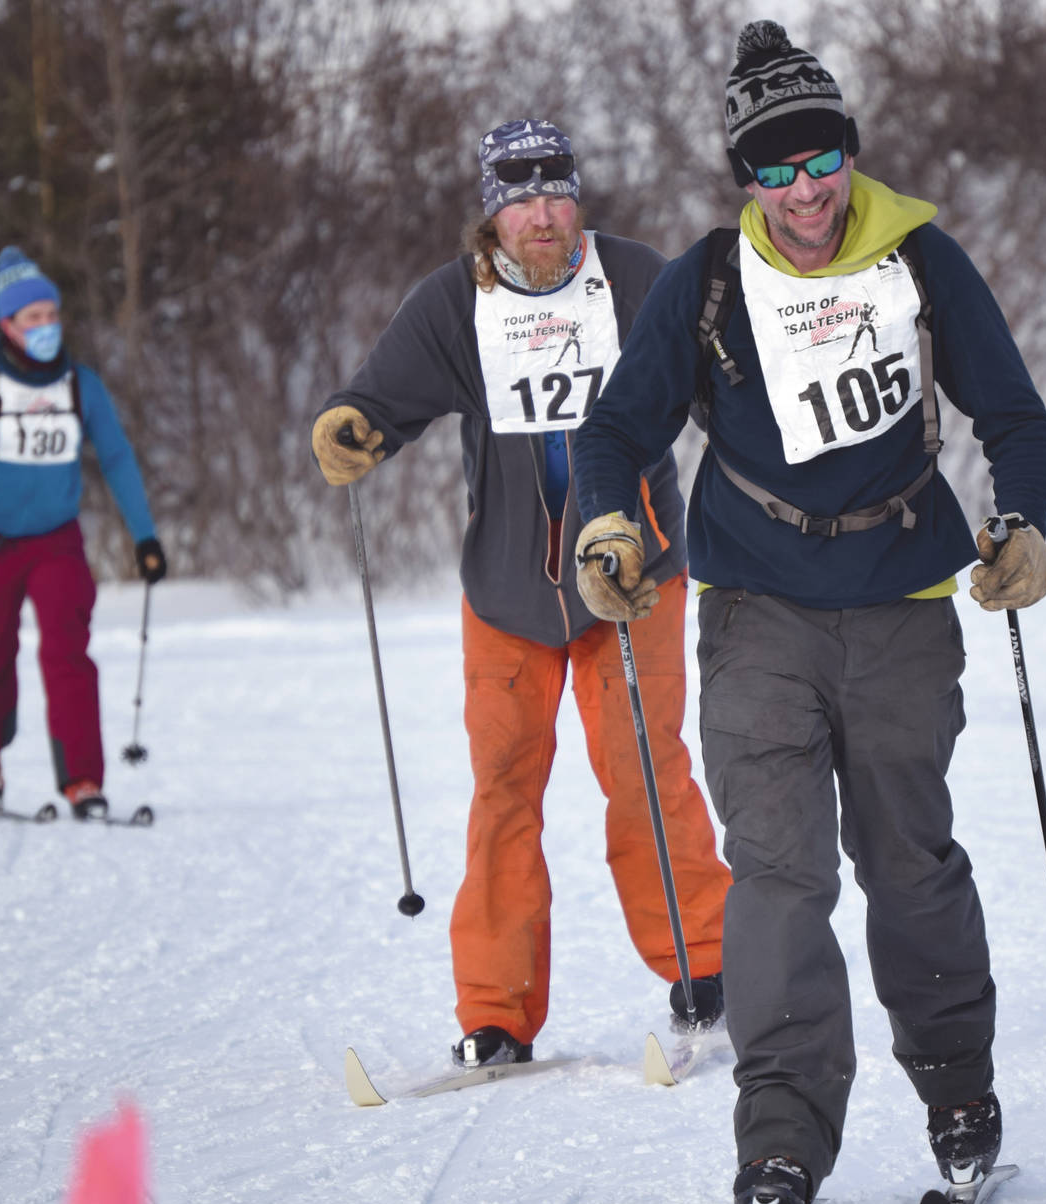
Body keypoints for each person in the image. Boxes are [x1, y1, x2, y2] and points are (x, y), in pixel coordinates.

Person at [569, 22, 1046, 1204]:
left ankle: (957, 1100)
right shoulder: (709, 283)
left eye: (819, 159)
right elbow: (614, 432)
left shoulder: (921, 259)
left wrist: (1023, 524)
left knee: (907, 862)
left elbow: (1012, 414)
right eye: (773, 169)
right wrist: (607, 529)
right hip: (758, 618)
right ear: (746, 179)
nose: (803, 190)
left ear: (849, 152)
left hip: (900, 604)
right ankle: (780, 1139)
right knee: (777, 878)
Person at [309, 120, 731, 1069]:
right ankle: (495, 1013)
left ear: (577, 198)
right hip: (507, 593)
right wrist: (353, 428)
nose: (540, 215)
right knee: (503, 793)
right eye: (518, 197)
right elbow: (382, 399)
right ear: (490, 212)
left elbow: (718, 384)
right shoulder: (454, 302)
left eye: (554, 193)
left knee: (644, 771)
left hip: (632, 576)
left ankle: (710, 967)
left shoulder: (631, 279)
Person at [0, 246, 165, 821]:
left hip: (57, 541)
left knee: (69, 655)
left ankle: (82, 780)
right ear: (8, 324)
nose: (47, 326)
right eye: (34, 318)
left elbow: (119, 458)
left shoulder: (81, 385)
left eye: (52, 315)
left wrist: (145, 537)